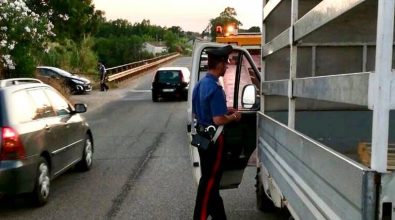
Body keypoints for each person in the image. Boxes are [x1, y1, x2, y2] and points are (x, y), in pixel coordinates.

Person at [192, 45, 241, 220]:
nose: (227, 67)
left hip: (202, 138)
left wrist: (225, 110)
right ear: (219, 64)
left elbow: (203, 110)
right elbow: (218, 120)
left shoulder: (200, 85)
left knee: (208, 181)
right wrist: (234, 116)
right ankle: (200, 217)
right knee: (210, 182)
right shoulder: (215, 88)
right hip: (215, 141)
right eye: (225, 63)